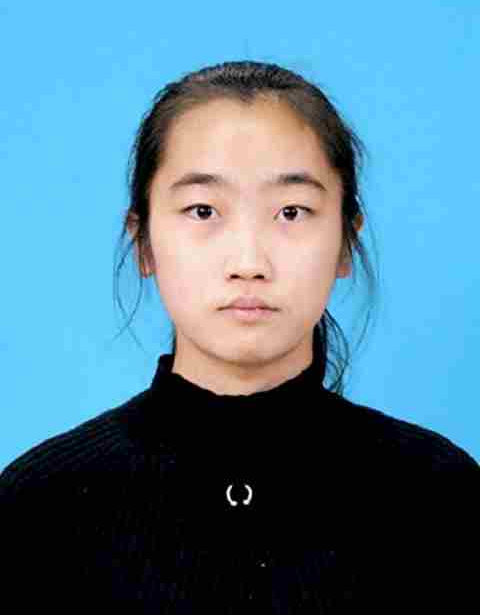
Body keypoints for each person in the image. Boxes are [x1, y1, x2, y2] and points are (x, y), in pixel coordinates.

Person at [1, 60, 478, 614]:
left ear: (346, 241)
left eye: (291, 212)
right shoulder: (40, 504)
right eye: (203, 210)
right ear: (144, 242)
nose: (249, 262)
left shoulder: (439, 494)